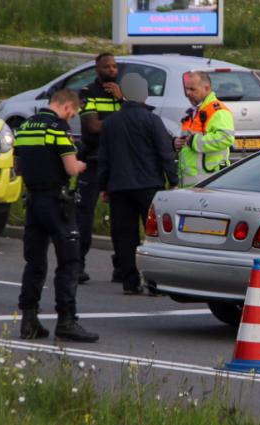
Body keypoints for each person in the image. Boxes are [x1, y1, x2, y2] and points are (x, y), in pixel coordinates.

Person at [14, 88, 99, 343]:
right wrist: (84, 164)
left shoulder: (26, 127)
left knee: (35, 264)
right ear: (67, 107)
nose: (71, 117)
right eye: (72, 113)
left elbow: (17, 167)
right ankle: (67, 321)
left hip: (33, 202)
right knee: (69, 262)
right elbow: (71, 168)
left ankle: (29, 322)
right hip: (57, 203)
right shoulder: (58, 128)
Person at [98, 74, 179, 295]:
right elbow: (165, 153)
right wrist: (173, 181)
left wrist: (104, 186)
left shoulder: (111, 122)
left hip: (119, 187)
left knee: (124, 236)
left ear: (123, 93)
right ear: (144, 94)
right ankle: (154, 283)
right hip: (149, 186)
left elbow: (104, 158)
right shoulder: (153, 121)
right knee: (154, 236)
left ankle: (130, 282)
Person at [76, 52, 124, 284]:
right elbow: (93, 126)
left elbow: (136, 116)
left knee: (121, 217)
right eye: (107, 66)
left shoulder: (123, 92)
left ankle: (122, 267)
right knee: (83, 214)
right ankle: (77, 265)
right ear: (97, 69)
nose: (112, 70)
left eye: (114, 66)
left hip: (119, 162)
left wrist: (122, 99)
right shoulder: (87, 93)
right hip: (93, 160)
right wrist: (123, 120)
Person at [174, 71, 234, 187]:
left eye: (192, 89)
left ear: (206, 88)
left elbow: (226, 138)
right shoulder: (194, 111)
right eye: (186, 89)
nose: (188, 93)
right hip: (191, 185)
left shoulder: (218, 111)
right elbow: (188, 142)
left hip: (208, 184)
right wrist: (177, 143)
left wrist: (194, 141)